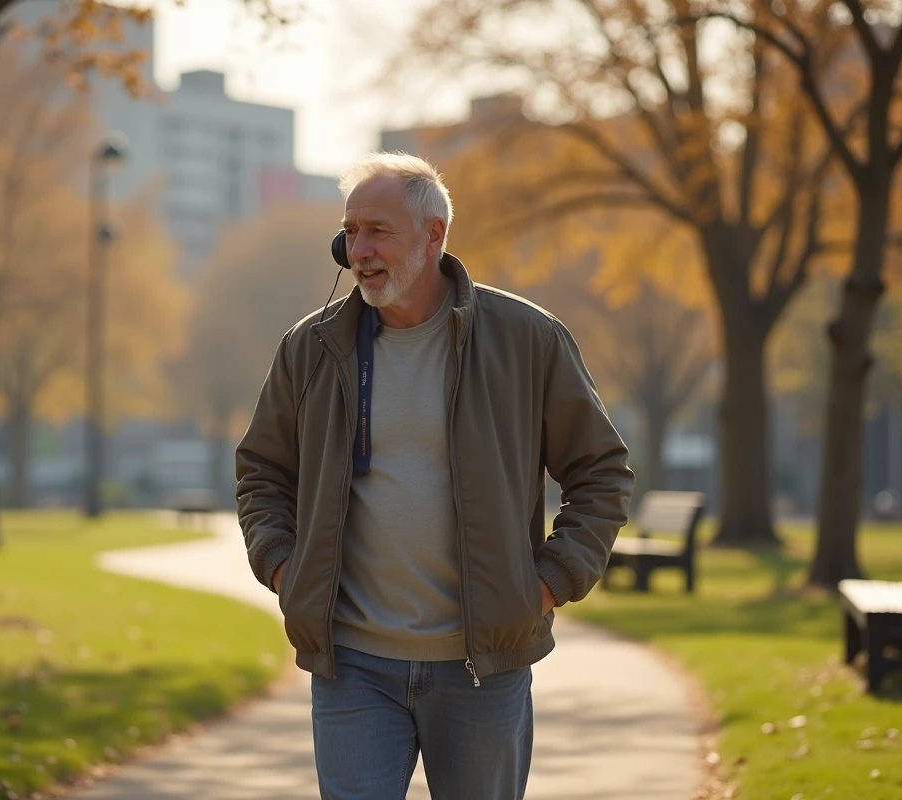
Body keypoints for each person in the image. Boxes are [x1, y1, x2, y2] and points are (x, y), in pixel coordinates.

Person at [236, 152, 635, 800]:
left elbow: (601, 472)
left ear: (433, 236)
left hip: (482, 669)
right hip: (352, 666)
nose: (358, 250)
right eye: (350, 232)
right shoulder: (310, 348)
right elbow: (262, 471)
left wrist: (545, 584)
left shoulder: (527, 338)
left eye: (378, 231)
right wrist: (287, 571)